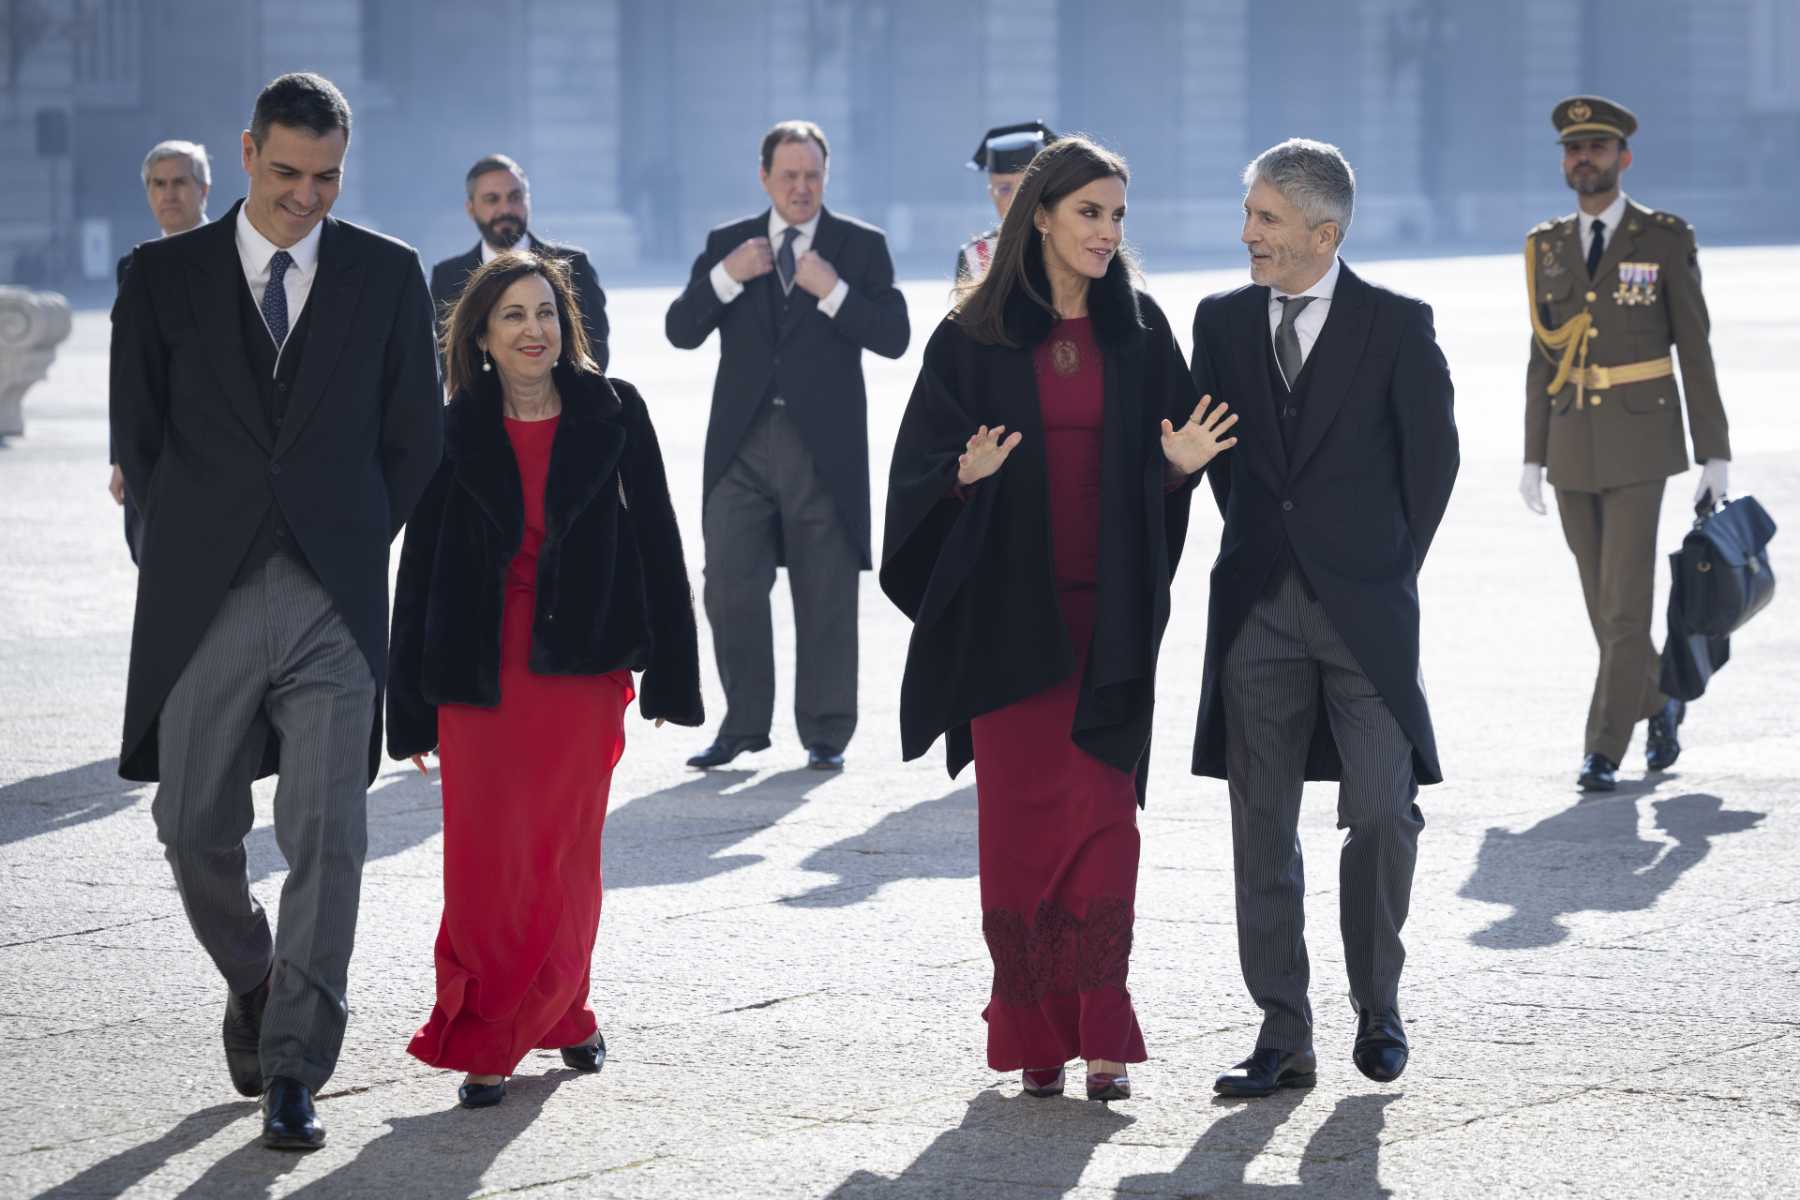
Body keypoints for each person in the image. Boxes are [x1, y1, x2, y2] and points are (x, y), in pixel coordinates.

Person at [109, 73, 443, 1150]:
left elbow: (415, 438)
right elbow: (140, 445)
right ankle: (254, 976)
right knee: (189, 826)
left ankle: (298, 1062)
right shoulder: (158, 280)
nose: (308, 198)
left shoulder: (388, 275)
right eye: (289, 174)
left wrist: (355, 539)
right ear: (247, 153)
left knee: (329, 833)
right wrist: (173, 557)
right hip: (202, 593)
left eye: (329, 177)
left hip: (335, 597)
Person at [883, 136, 1237, 1103]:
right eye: (1091, 212)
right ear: (1038, 214)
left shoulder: (1141, 332)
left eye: (1119, 215)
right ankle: (1035, 1030)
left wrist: (1179, 469)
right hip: (1008, 630)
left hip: (1110, 625)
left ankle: (1104, 1030)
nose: (1108, 231)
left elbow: (1160, 470)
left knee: (1106, 826)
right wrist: (962, 476)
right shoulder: (968, 340)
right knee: (1019, 836)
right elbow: (913, 482)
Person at [388, 250, 703, 1109]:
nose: (534, 330)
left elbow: (660, 542)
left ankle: (547, 1013)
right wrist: (407, 709)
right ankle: (514, 1022)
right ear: (482, 337)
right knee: (485, 861)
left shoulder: (615, 411)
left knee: (563, 859)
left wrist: (673, 672)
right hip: (478, 677)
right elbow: (418, 568)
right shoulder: (453, 425)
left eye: (546, 313)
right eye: (514, 316)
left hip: (579, 671)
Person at [1187, 139, 1458, 1098]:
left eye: (1265, 218)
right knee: (1261, 825)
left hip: (1365, 617)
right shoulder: (1218, 322)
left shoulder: (1395, 325)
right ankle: (1283, 1034)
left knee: (1383, 809)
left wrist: (1377, 571)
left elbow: (1432, 467)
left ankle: (1379, 1006)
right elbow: (1212, 449)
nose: (1248, 234)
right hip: (1257, 611)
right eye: (1250, 214)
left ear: (1321, 232)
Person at [666, 120, 910, 772]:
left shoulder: (859, 246)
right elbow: (680, 329)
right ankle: (744, 724)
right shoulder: (729, 244)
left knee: (825, 593)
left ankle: (826, 730)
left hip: (822, 449)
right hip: (740, 446)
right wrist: (725, 276)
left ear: (826, 177)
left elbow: (893, 335)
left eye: (812, 176)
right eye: (788, 176)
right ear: (764, 177)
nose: (801, 188)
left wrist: (833, 292)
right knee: (728, 588)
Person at [1519, 96, 1731, 792]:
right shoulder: (1547, 246)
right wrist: (1532, 453)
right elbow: (1542, 355)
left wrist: (1715, 452)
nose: (1585, 159)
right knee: (1600, 605)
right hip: (1573, 442)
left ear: (1623, 157)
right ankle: (1659, 696)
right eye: (1574, 150)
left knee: (1624, 604)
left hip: (1643, 441)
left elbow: (1694, 350)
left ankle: (1603, 748)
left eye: (1598, 148)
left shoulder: (1663, 238)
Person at [109, 139, 211, 561]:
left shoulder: (233, 258)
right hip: (151, 451)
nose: (168, 194)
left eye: (180, 183)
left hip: (212, 451)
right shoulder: (132, 267)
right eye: (158, 184)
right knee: (151, 559)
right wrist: (119, 457)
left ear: (203, 189)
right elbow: (125, 372)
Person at [429, 153, 610, 372]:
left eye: (515, 197)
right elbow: (444, 361)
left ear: (528, 201)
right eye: (492, 199)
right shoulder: (447, 276)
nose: (506, 209)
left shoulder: (573, 266)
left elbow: (594, 353)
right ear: (471, 209)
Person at [954, 120, 1055, 284]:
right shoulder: (976, 257)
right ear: (992, 194)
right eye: (1004, 189)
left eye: (1026, 185)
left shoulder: (1071, 244)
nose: (1017, 197)